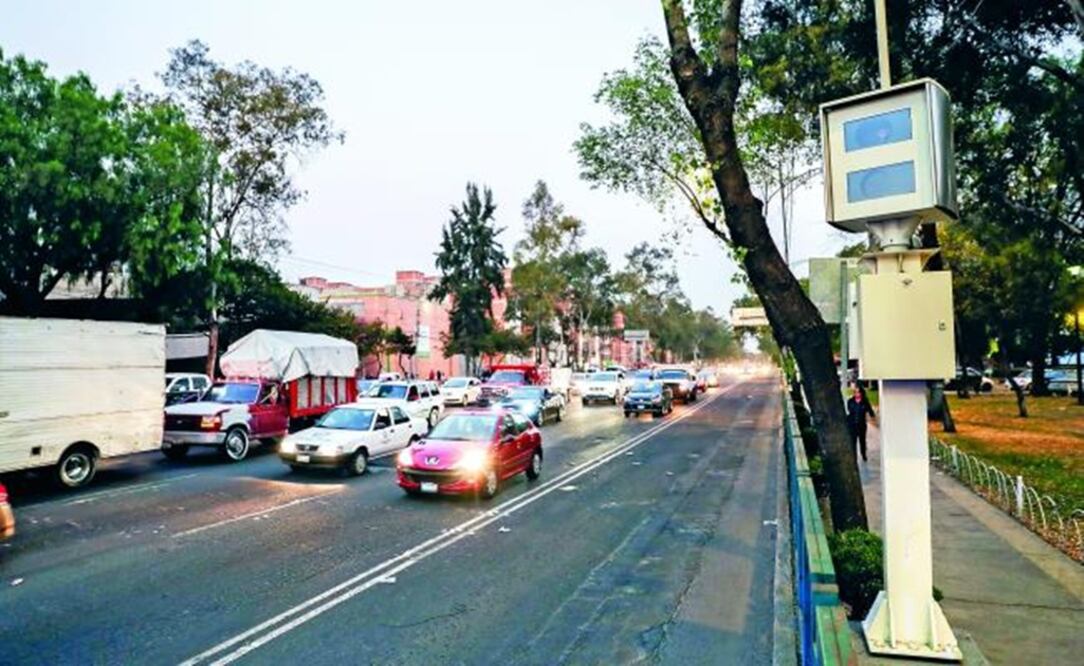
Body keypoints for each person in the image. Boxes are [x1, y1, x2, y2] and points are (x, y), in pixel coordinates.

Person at [846, 383, 876, 462]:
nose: (857, 394)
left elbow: (871, 412)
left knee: (862, 441)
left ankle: (863, 454)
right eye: (855, 392)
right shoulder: (850, 401)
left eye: (858, 392)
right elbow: (849, 411)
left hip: (862, 424)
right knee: (853, 441)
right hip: (852, 424)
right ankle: (854, 457)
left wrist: (872, 418)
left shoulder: (865, 402)